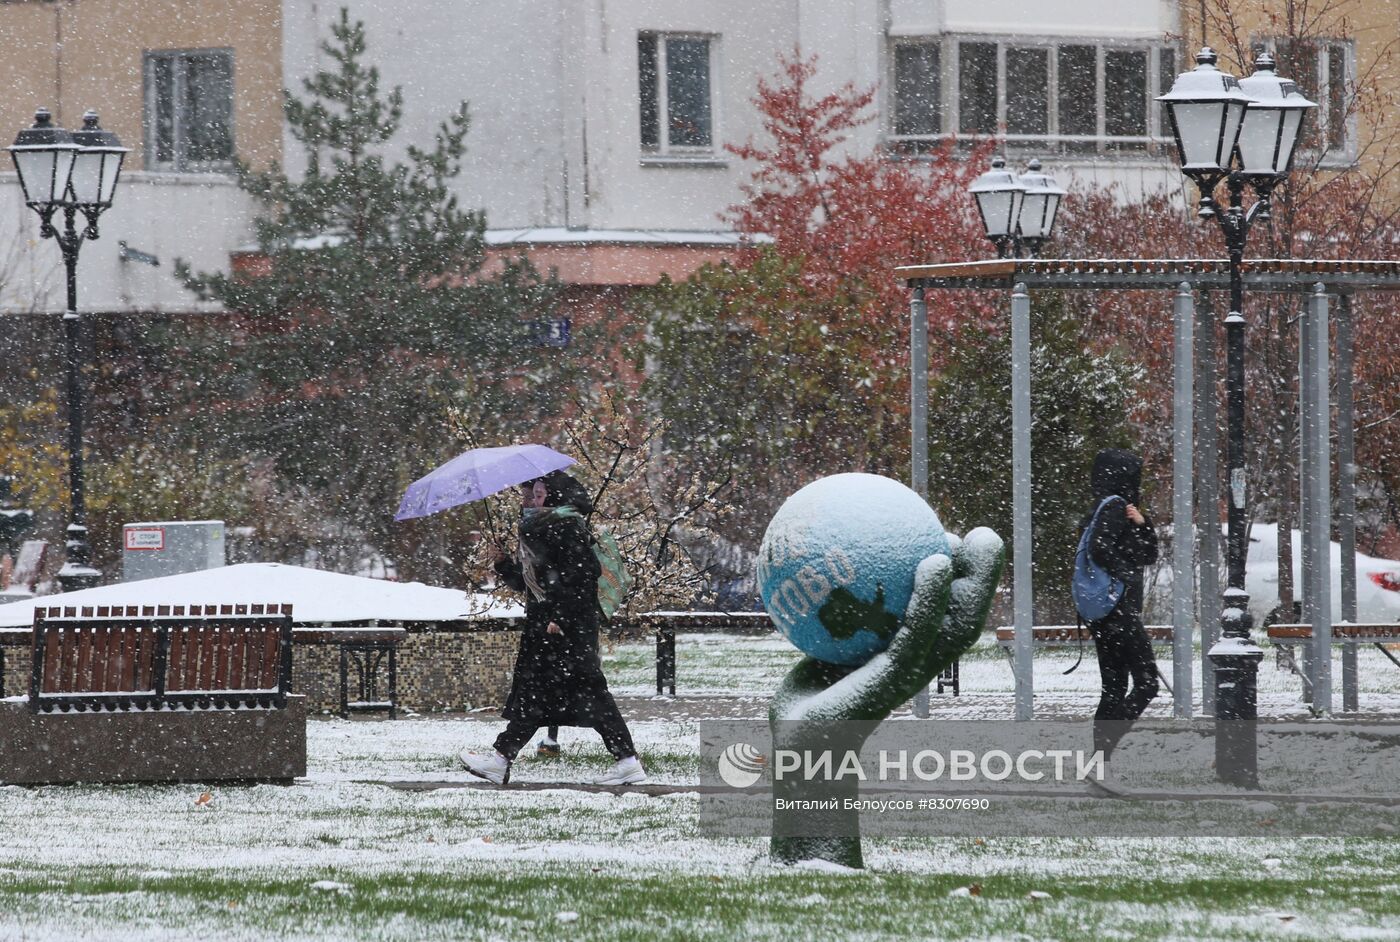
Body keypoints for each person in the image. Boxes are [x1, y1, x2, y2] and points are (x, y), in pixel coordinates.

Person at [460, 469, 645, 786]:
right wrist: (503, 564)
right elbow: (532, 584)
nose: (529, 498)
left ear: (555, 495)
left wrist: (559, 617)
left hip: (563, 630)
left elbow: (582, 577)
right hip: (550, 627)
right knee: (541, 696)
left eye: (537, 492)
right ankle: (501, 759)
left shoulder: (564, 526)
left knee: (579, 695)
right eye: (528, 492)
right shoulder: (541, 529)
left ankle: (626, 761)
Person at [1079, 448, 1160, 787]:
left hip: (1103, 614)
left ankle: (1099, 765)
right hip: (1118, 612)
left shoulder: (1102, 507)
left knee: (1114, 688)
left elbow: (1148, 554)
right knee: (1146, 684)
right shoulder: (1114, 506)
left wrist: (1143, 525)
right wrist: (1125, 577)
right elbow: (1101, 548)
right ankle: (1100, 761)